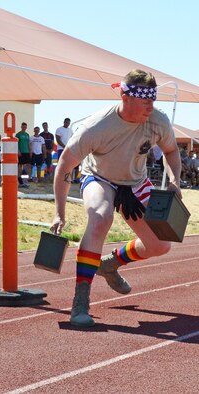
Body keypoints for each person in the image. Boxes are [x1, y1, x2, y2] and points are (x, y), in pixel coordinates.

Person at [50, 69, 181, 328]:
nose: (150, 107)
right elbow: (64, 165)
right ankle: (80, 301)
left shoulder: (159, 121)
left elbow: (172, 151)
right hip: (100, 179)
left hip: (135, 182)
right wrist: (59, 212)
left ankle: (110, 264)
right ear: (125, 97)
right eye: (145, 101)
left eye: (153, 100)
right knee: (100, 217)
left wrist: (175, 181)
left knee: (160, 245)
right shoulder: (96, 127)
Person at [15, 122, 31, 188]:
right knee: (20, 165)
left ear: (26, 127)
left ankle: (29, 178)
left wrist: (30, 151)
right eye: (23, 126)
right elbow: (16, 143)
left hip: (27, 152)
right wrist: (18, 151)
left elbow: (28, 143)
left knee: (28, 165)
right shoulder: (18, 134)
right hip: (21, 152)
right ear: (21, 127)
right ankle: (19, 178)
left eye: (25, 126)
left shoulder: (27, 135)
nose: (24, 127)